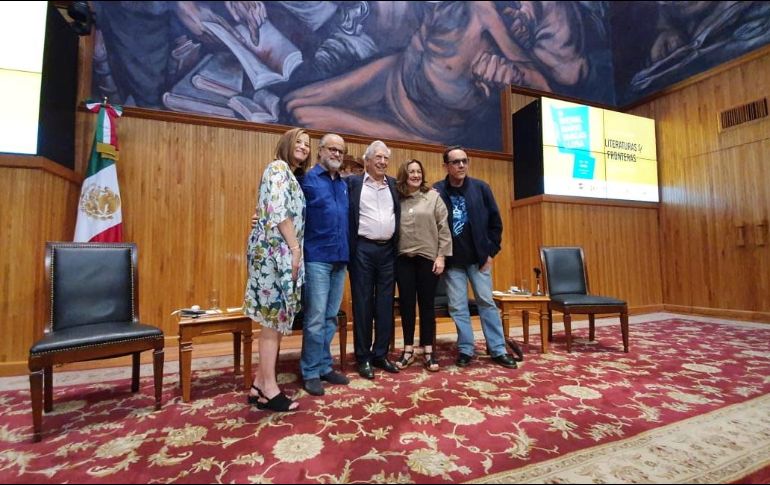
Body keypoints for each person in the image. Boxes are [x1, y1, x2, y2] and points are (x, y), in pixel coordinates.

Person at [433, 145, 518, 370]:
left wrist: (490, 252)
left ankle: (498, 349)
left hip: (479, 261)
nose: (461, 165)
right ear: (446, 166)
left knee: (487, 303)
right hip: (453, 263)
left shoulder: (481, 188)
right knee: (458, 307)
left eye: (464, 161)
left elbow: (495, 223)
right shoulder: (438, 191)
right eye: (456, 162)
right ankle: (466, 349)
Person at [244, 127, 310, 411]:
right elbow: (279, 212)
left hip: (281, 250)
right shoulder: (278, 167)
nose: (305, 147)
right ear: (286, 143)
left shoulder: (289, 174)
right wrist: (295, 250)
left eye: (308, 144)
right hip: (277, 253)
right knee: (272, 321)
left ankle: (259, 383)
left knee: (276, 320)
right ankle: (270, 390)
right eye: (299, 142)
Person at [299, 133, 351, 396]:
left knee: (330, 317)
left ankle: (324, 365)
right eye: (332, 149)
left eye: (341, 151)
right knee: (316, 317)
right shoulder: (307, 180)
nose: (337, 155)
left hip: (340, 258)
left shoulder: (342, 183)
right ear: (320, 151)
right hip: (317, 257)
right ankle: (309, 371)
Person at [347, 140, 401, 379]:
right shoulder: (353, 184)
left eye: (385, 158)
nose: (382, 162)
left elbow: (415, 192)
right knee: (363, 303)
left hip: (388, 251)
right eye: (378, 157)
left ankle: (381, 354)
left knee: (385, 304)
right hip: (363, 250)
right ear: (367, 160)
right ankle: (363, 357)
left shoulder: (394, 185)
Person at [394, 159, 452, 372]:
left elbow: (443, 228)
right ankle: (408, 349)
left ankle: (429, 350)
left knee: (427, 306)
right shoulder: (396, 198)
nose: (416, 175)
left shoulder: (433, 197)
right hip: (403, 260)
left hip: (428, 259)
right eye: (411, 171)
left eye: (419, 171)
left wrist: (442, 257)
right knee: (407, 306)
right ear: (404, 174)